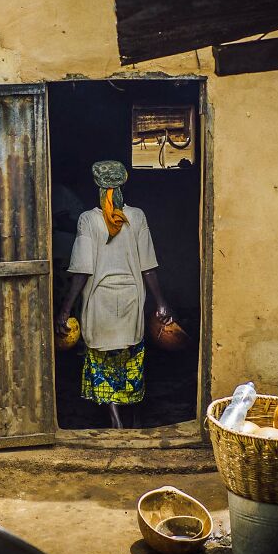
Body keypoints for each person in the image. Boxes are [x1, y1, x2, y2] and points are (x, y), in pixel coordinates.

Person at [54, 160, 172, 429]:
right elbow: (148, 266)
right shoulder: (137, 216)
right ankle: (131, 420)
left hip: (99, 306)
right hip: (131, 302)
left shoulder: (88, 220)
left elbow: (82, 271)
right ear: (122, 184)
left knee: (103, 367)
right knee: (130, 364)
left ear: (98, 187)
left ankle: (116, 421)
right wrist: (161, 303)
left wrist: (65, 309)